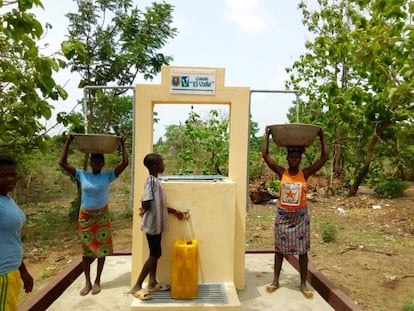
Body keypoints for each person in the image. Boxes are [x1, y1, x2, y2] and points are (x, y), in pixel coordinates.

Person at [262, 126, 328, 299]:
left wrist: (321, 137)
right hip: (283, 216)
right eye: (291, 157)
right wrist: (267, 135)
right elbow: (265, 156)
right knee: (279, 250)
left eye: (296, 157)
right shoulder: (281, 172)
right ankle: (275, 281)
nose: (293, 160)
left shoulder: (304, 173)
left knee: (302, 251)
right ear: (287, 158)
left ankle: (303, 283)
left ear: (300, 159)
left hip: (300, 217)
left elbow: (324, 158)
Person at [59, 134, 128, 296]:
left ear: (103, 163)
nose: (96, 164)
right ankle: (88, 281)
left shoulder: (108, 176)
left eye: (99, 161)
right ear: (90, 163)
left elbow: (125, 163)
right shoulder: (82, 174)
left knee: (102, 250)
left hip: (101, 217)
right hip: (86, 218)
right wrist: (68, 141)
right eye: (94, 161)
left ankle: (97, 280)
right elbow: (62, 163)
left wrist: (122, 144)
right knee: (86, 251)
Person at [130, 153, 186, 301]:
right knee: (155, 254)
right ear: (155, 166)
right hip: (153, 225)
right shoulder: (151, 181)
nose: (163, 164)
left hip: (158, 225)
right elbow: (146, 201)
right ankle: (137, 285)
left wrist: (175, 212)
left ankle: (152, 282)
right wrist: (143, 207)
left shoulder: (156, 181)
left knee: (155, 253)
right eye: (162, 162)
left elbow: (159, 204)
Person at [0, 155, 34, 310]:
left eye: (13, 174)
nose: (9, 179)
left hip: (12, 271)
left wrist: (23, 270)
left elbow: (11, 239)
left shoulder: (7, 199)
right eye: (3, 175)